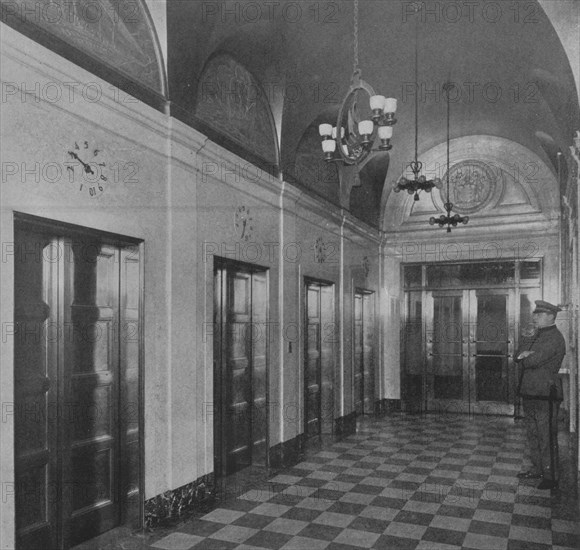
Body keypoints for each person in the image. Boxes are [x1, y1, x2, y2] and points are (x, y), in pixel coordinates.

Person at [514, 300, 565, 490]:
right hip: (530, 392)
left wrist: (526, 355)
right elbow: (517, 356)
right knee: (533, 434)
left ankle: (551, 477)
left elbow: (531, 361)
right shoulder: (537, 335)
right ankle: (538, 469)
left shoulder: (554, 338)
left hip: (546, 394)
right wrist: (524, 352)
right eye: (535, 314)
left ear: (551, 316)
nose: (535, 317)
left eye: (539, 314)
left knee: (546, 436)